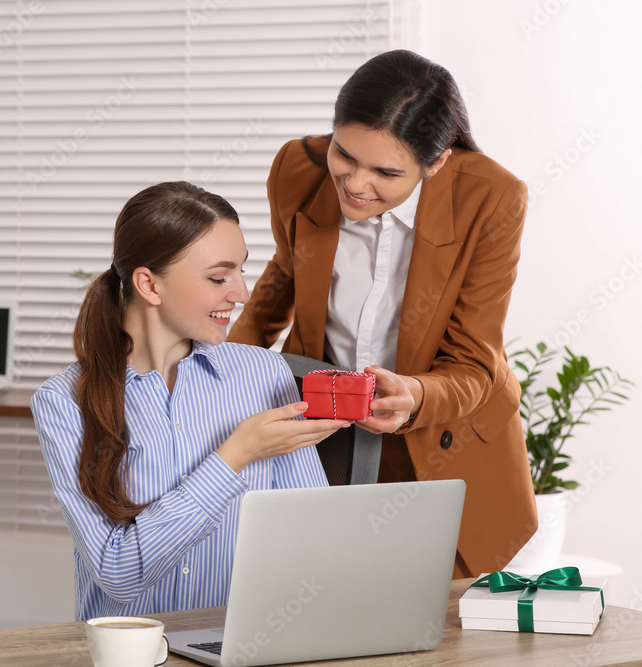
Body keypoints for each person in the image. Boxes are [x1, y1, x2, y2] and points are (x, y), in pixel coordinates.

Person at [227, 49, 537, 577]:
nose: (354, 184)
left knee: (438, 633)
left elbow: (473, 361)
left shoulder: (493, 197)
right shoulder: (297, 169)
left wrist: (414, 394)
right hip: (325, 435)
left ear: (435, 161)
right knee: (308, 603)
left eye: (386, 172)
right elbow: (281, 282)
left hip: (442, 439)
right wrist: (219, 376)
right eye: (345, 154)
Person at [32, 181, 351, 621]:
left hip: (246, 646)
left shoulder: (264, 373)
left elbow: (319, 540)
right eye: (219, 277)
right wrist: (234, 456)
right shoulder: (64, 402)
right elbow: (118, 573)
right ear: (149, 284)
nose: (240, 293)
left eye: (240, 271)